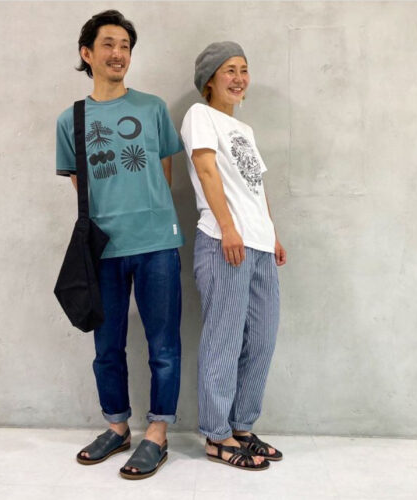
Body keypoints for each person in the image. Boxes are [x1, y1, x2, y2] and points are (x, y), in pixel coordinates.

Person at [55, 10, 184, 480]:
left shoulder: (152, 108)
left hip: (157, 243)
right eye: (108, 44)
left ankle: (158, 433)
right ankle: (117, 426)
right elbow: (80, 184)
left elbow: (164, 172)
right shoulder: (71, 119)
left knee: (163, 344)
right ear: (87, 54)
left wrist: (150, 214)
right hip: (103, 249)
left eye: (125, 46)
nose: (118, 54)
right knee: (106, 346)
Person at [180, 41, 286, 471]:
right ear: (209, 80)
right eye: (229, 70)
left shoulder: (245, 130)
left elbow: (256, 187)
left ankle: (241, 426)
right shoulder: (199, 116)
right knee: (223, 340)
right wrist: (227, 227)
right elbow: (207, 171)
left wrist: (272, 233)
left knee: (261, 338)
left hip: (258, 245)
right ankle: (216, 434)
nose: (239, 78)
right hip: (223, 241)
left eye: (244, 69)